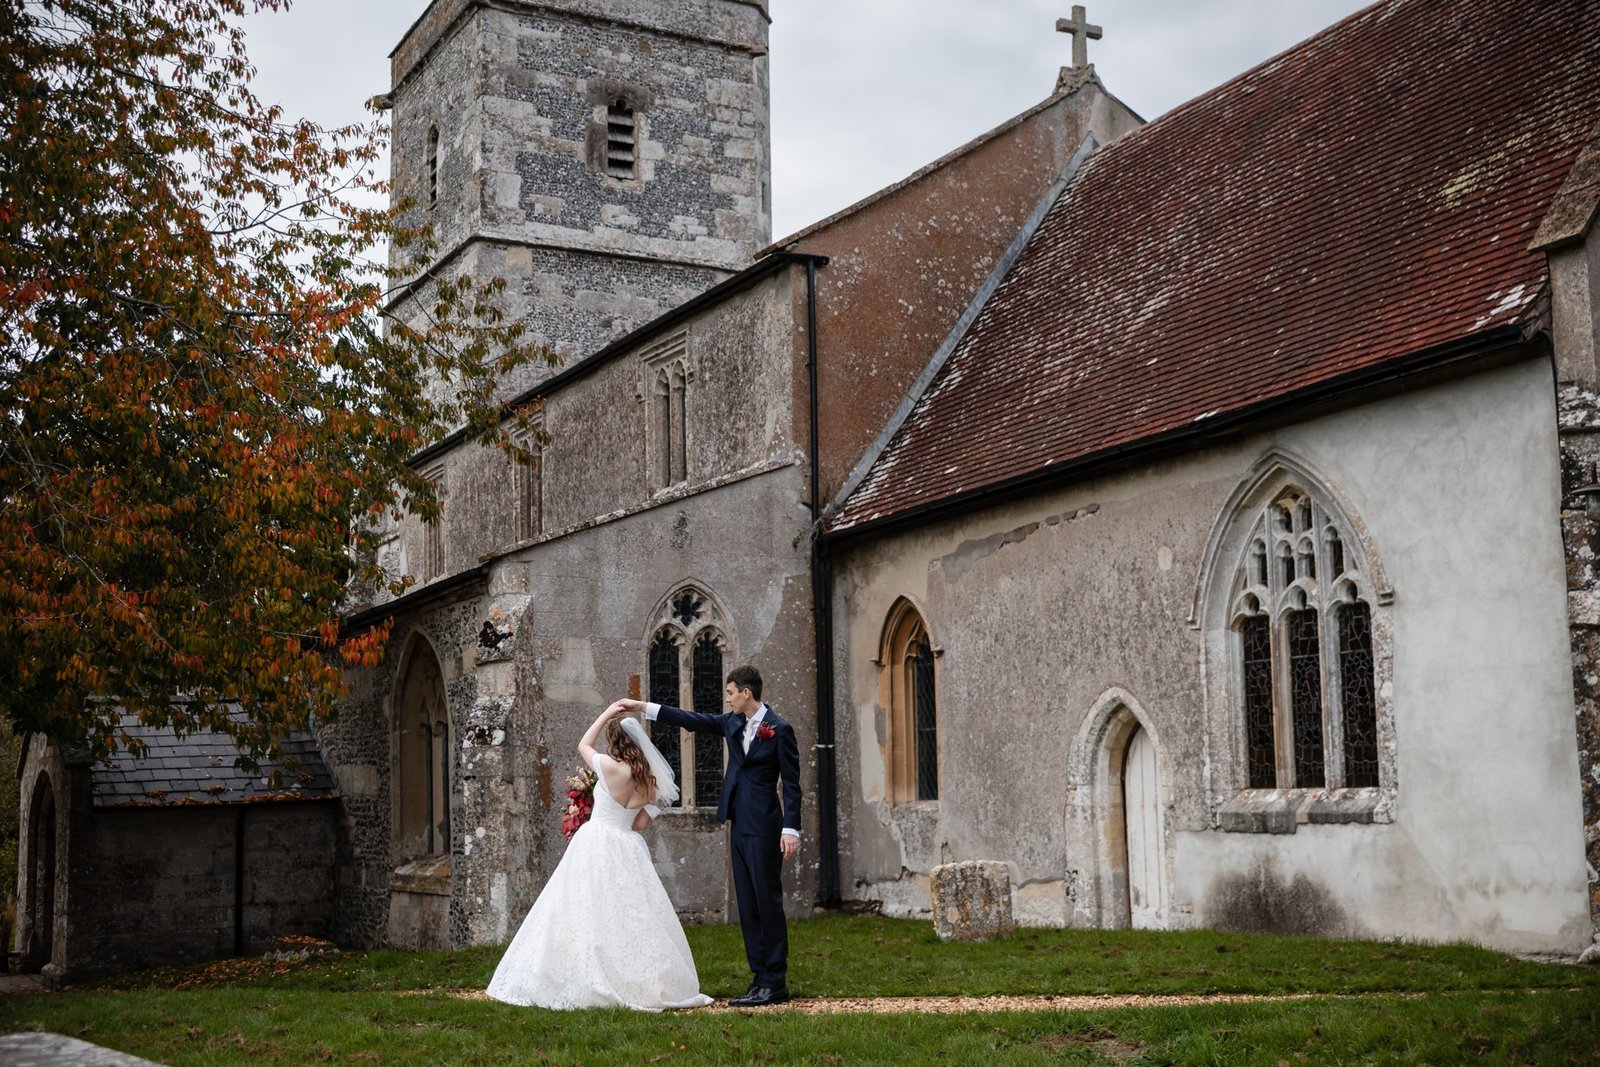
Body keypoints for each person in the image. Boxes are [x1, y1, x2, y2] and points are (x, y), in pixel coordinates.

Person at [485, 704, 712, 1011]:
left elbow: (583, 744)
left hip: (596, 840)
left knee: (580, 905)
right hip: (628, 846)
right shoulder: (651, 783)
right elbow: (641, 825)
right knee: (632, 912)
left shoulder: (607, 765)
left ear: (615, 743)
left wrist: (607, 713)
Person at [616, 664, 801, 1007]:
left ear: (746, 693)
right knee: (747, 904)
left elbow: (791, 785)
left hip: (766, 827)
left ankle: (776, 981)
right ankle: (759, 978)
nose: (727, 699)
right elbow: (690, 719)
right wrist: (642, 707)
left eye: (731, 693)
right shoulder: (731, 722)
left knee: (767, 902)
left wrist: (790, 829)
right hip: (738, 824)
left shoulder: (780, 730)